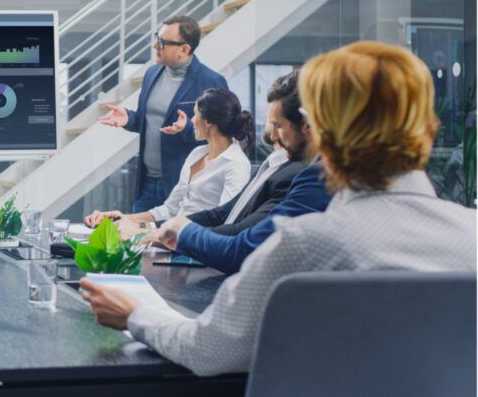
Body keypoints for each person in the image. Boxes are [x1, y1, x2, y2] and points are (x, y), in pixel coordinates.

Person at [80, 40, 476, 376]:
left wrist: (133, 314)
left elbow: (207, 350)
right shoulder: (470, 235)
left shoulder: (307, 245)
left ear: (320, 129)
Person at [99, 15, 228, 213]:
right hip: (146, 184)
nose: (154, 45)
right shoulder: (152, 74)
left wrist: (186, 128)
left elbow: (223, 136)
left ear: (184, 50)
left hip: (183, 187)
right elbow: (148, 120)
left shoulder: (211, 82)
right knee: (136, 240)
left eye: (162, 42)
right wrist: (130, 119)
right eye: (156, 38)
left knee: (173, 243)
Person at [87, 88, 253, 229]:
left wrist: (144, 230)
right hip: (171, 236)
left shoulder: (235, 165)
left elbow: (223, 223)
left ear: (208, 121)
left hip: (192, 246)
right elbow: (171, 208)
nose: (192, 121)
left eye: (195, 114)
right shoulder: (197, 154)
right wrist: (124, 218)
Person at [176, 72, 308, 238]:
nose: (273, 134)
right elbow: (223, 213)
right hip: (211, 241)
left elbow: (241, 232)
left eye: (278, 125)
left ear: (306, 127)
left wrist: (177, 236)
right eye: (271, 122)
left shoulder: (293, 174)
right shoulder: (272, 164)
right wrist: (163, 227)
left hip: (220, 249)